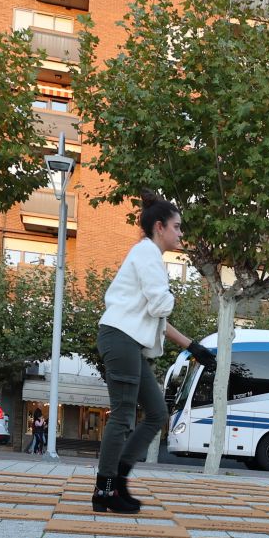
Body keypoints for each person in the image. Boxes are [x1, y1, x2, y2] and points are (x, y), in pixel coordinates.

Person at [91, 196, 206, 512]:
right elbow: (160, 306)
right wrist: (171, 297)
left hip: (126, 342)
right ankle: (105, 489)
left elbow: (156, 319)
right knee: (124, 414)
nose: (181, 234)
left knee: (156, 413)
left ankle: (120, 479)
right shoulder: (147, 254)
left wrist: (192, 346)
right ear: (160, 227)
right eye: (177, 227)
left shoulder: (147, 256)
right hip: (121, 340)